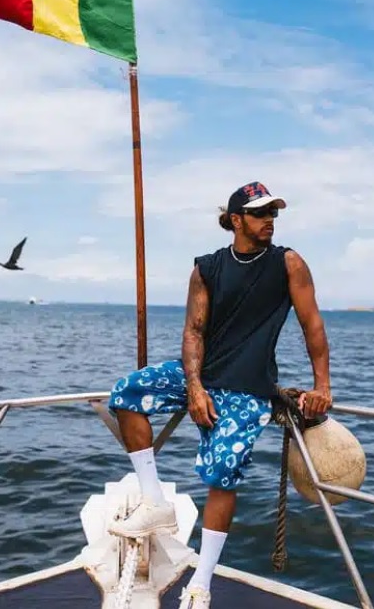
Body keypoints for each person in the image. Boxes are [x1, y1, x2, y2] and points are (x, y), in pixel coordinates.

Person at [107, 181, 333, 609]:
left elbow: (313, 326)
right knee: (127, 394)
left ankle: (201, 583)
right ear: (235, 220)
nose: (270, 221)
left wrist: (322, 386)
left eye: (273, 214)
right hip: (204, 376)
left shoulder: (289, 263)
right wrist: (193, 388)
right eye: (261, 213)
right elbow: (193, 331)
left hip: (249, 388)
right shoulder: (207, 268)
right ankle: (154, 501)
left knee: (223, 470)